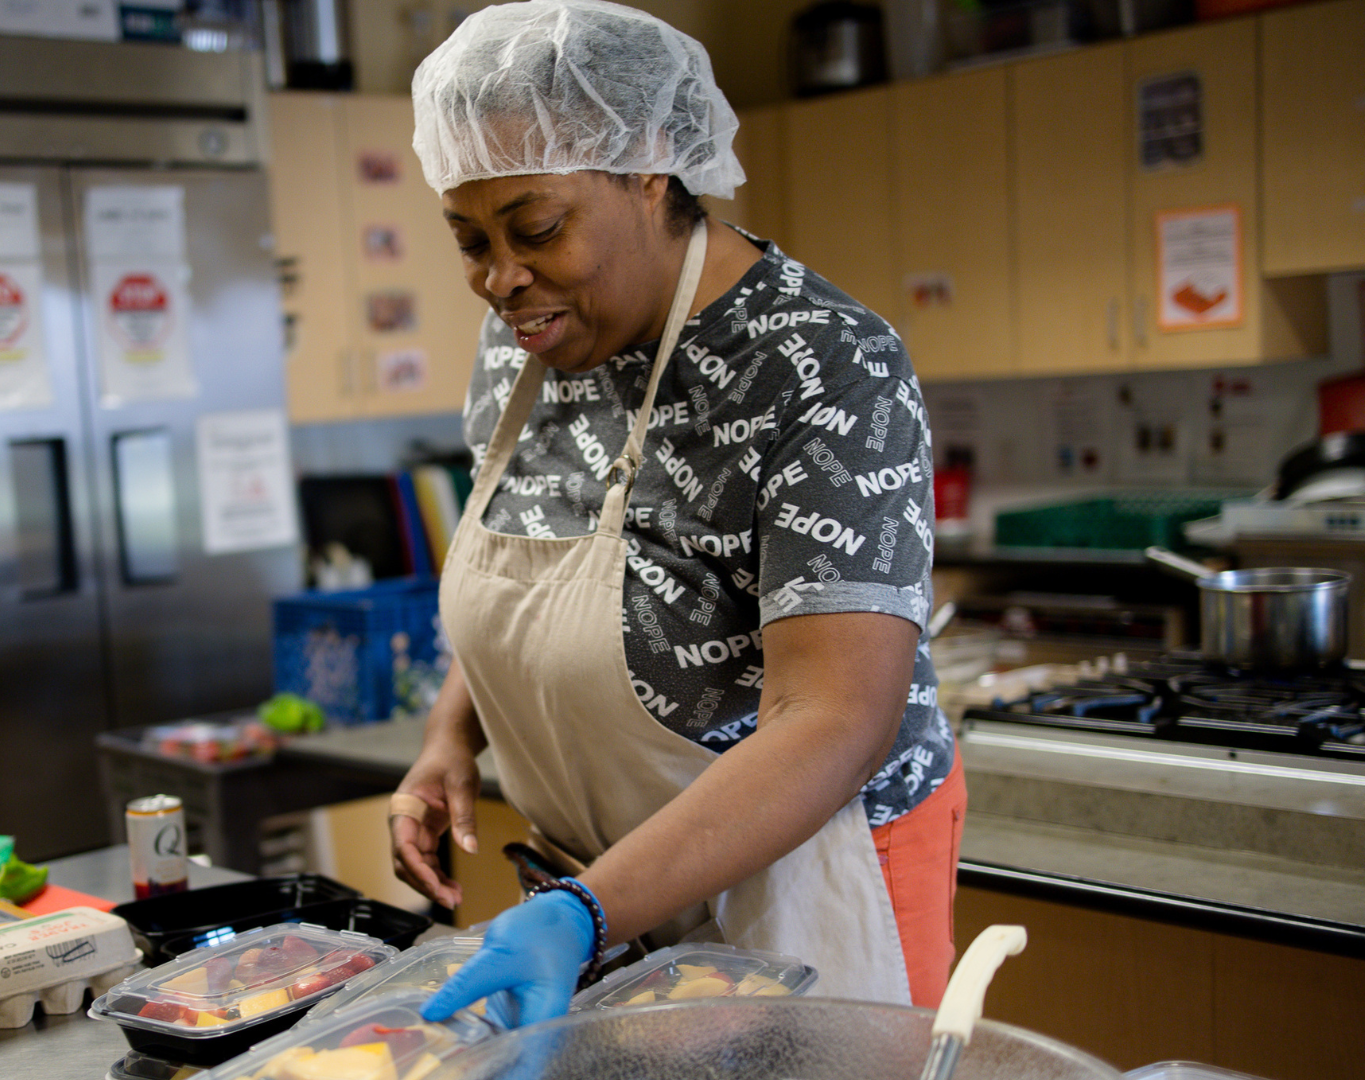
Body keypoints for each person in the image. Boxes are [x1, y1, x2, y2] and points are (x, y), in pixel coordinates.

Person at [387, 0, 966, 1029]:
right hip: (601, 890)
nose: (500, 280)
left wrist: (588, 908)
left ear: (651, 171)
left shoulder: (827, 366)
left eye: (536, 229)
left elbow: (834, 715)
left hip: (799, 881)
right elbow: (543, 589)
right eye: (468, 238)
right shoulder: (531, 340)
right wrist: (450, 738)